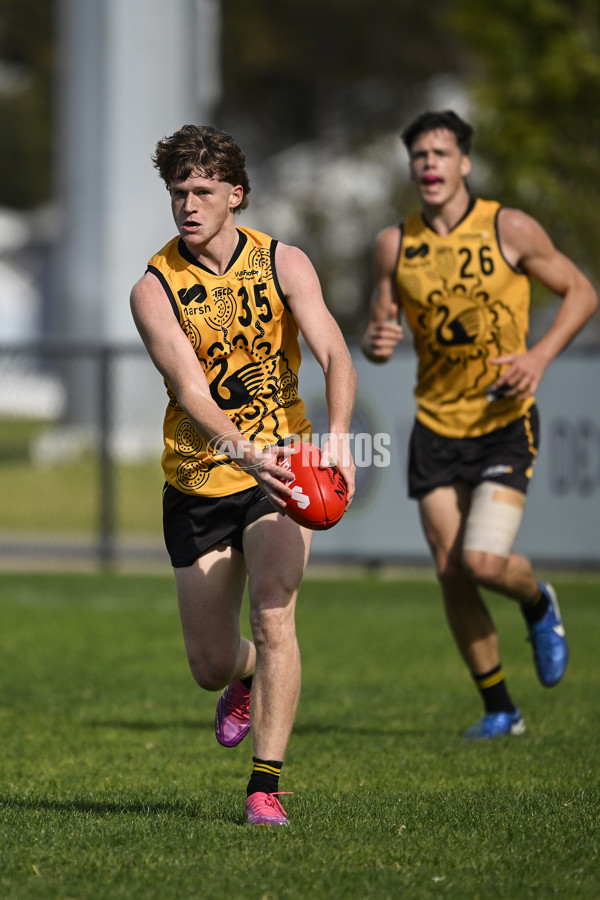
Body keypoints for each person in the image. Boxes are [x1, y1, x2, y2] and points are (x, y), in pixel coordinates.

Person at [131, 124, 356, 822]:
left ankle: (265, 786)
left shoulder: (285, 263)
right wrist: (239, 449)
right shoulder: (154, 288)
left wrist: (340, 438)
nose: (188, 205)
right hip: (201, 476)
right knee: (208, 664)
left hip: (282, 469)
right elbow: (192, 393)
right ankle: (247, 676)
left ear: (238, 195)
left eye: (203, 191)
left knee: (274, 611)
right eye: (178, 193)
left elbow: (335, 355)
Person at [362, 110, 598, 739]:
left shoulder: (508, 227)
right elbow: (381, 330)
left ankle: (538, 601)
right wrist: (379, 341)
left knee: (485, 562)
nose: (429, 164)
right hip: (436, 427)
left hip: (502, 420)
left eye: (441, 153)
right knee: (450, 571)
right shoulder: (395, 244)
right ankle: (500, 708)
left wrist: (539, 356)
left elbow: (582, 292)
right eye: (419, 155)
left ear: (464, 163)